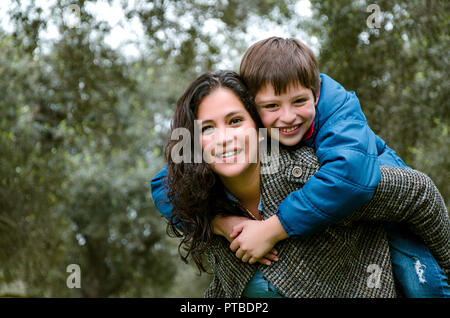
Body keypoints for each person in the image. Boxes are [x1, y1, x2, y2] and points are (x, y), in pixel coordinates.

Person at [153, 37, 450, 297]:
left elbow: (374, 182)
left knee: (422, 282)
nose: (287, 116)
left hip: (377, 195)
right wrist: (221, 224)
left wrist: (274, 228)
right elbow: (164, 188)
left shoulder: (320, 154)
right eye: (207, 128)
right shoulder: (205, 191)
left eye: (235, 121)